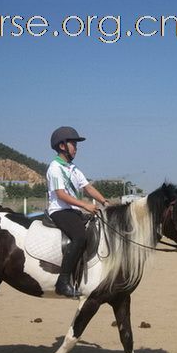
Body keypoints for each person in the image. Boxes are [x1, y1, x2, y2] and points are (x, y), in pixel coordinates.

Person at [47, 126, 109, 298]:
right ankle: (63, 281)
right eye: (73, 143)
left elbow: (88, 187)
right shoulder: (54, 168)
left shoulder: (73, 168)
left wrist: (104, 201)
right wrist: (85, 205)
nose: (76, 147)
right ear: (62, 146)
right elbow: (60, 194)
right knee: (80, 237)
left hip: (72, 211)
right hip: (59, 210)